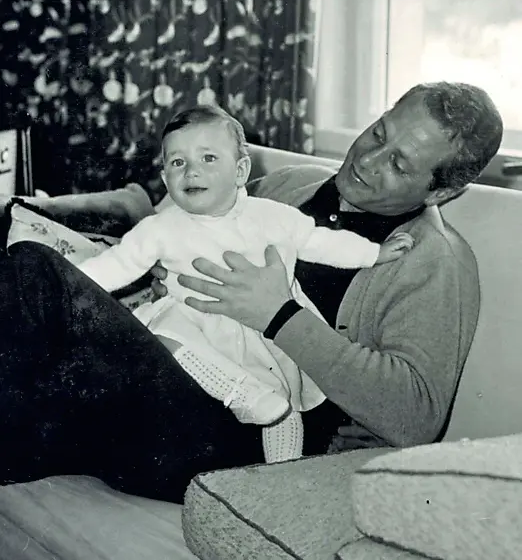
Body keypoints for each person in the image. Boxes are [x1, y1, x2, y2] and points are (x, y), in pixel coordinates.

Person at [0, 81, 502, 504]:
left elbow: (414, 417)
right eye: (378, 133)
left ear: (440, 192)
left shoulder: (434, 264)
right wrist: (158, 271)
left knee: (35, 272)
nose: (368, 160)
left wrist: (279, 316)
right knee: (34, 300)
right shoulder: (292, 185)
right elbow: (188, 224)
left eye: (399, 163)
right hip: (172, 368)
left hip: (248, 434)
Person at [77, 105, 413, 463]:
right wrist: (71, 281)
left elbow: (322, 242)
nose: (192, 171)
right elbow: (116, 265)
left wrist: (374, 254)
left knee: (282, 405)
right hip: (194, 324)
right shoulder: (160, 228)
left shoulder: (273, 216)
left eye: (208, 158)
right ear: (164, 180)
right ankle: (242, 394)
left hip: (261, 335)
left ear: (240, 171)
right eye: (177, 163)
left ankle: (281, 472)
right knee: (162, 333)